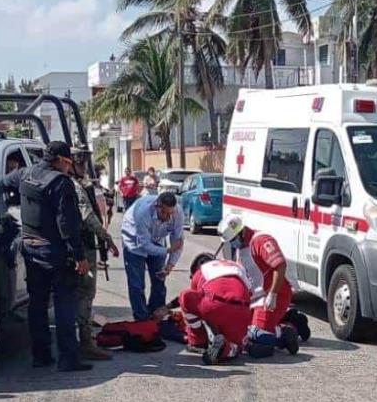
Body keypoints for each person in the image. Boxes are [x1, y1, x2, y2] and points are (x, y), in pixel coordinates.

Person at [1, 140, 91, 372]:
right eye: (68, 163)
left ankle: (41, 356)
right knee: (64, 305)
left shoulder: (25, 173)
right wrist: (79, 256)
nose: (69, 168)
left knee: (37, 304)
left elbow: (4, 183)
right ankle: (68, 359)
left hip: (31, 247)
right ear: (61, 160)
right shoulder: (61, 183)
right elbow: (67, 223)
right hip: (56, 252)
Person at [219, 215, 299, 357]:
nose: (232, 244)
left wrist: (273, 294)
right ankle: (284, 323)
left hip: (274, 294)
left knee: (256, 334)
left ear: (241, 232)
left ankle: (286, 333)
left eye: (232, 240)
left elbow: (280, 266)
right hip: (256, 298)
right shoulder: (241, 248)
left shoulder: (261, 241)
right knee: (240, 331)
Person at [70, 143, 120, 361]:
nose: (83, 166)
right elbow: (87, 215)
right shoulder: (74, 185)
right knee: (85, 293)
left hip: (76, 245)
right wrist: (106, 237)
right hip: (82, 246)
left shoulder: (77, 183)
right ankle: (84, 342)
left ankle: (79, 338)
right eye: (80, 161)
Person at [177, 257, 260, 364]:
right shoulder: (237, 267)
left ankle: (197, 341)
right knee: (237, 346)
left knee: (185, 296)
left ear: (196, 268)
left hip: (214, 305)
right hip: (241, 308)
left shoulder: (201, 271)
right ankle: (228, 347)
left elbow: (193, 297)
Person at [121, 190, 184, 321]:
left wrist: (170, 264)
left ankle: (156, 314)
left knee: (159, 281)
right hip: (134, 240)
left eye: (170, 213)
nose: (168, 217)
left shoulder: (177, 212)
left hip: (157, 239)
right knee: (137, 285)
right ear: (157, 207)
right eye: (164, 213)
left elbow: (178, 241)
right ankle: (141, 319)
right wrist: (167, 250)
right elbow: (145, 245)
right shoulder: (142, 213)